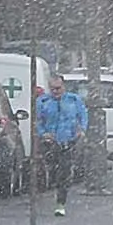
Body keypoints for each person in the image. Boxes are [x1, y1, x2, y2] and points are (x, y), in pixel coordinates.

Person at [33, 76, 84, 216]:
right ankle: (45, 195)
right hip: (49, 143)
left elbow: (82, 117)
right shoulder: (43, 101)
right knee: (51, 171)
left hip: (68, 141)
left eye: (58, 88)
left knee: (64, 172)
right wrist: (44, 133)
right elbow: (37, 121)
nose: (56, 92)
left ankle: (61, 203)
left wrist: (80, 130)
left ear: (64, 87)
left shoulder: (74, 100)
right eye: (53, 89)